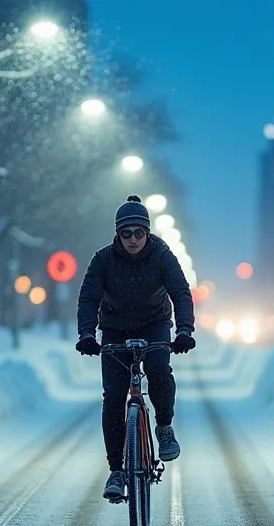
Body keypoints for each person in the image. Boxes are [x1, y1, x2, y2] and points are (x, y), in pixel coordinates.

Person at [75, 195, 196, 501]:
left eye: (138, 233)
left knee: (157, 370)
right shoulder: (102, 260)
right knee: (114, 396)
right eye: (125, 233)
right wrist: (88, 334)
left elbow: (180, 292)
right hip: (114, 327)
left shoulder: (162, 255)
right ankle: (116, 470)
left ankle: (165, 428)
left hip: (154, 323)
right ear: (118, 234)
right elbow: (89, 297)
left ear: (148, 233)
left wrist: (184, 331)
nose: (132, 239)